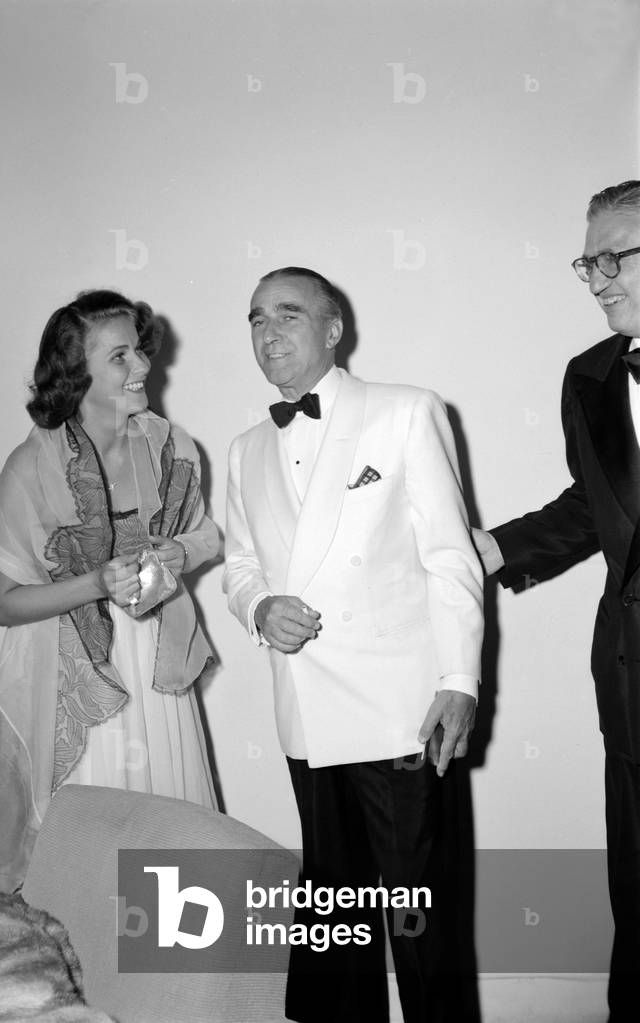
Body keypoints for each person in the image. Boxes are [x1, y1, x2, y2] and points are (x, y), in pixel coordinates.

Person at [223, 267, 484, 1023]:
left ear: (332, 330)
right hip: (308, 714)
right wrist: (260, 604)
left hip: (400, 714)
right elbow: (241, 565)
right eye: (256, 318)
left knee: (419, 920)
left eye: (289, 315)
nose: (268, 333)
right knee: (337, 924)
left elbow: (449, 557)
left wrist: (460, 678)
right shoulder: (245, 449)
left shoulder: (404, 412)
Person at [0, 290, 219, 893]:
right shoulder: (30, 466)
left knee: (164, 848)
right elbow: (3, 603)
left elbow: (206, 537)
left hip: (153, 666)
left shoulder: (172, 447)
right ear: (76, 373)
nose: (142, 368)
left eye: (138, 352)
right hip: (67, 672)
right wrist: (92, 583)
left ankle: (168, 983)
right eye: (120, 357)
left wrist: (177, 553)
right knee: (85, 860)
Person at [473, 179, 640, 1023]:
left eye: (614, 257)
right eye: (589, 262)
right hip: (631, 674)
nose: (598, 278)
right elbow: (596, 504)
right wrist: (494, 547)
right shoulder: (590, 376)